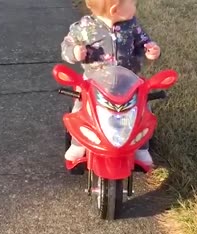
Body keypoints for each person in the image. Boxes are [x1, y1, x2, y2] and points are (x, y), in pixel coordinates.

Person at [60, 0, 161, 166]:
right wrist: (75, 52)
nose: (135, 8)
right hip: (94, 82)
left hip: (128, 81)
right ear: (115, 9)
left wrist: (151, 50)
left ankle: (141, 148)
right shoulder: (85, 27)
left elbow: (144, 42)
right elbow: (67, 45)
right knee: (81, 109)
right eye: (133, 4)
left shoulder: (131, 26)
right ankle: (77, 143)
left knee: (143, 111)